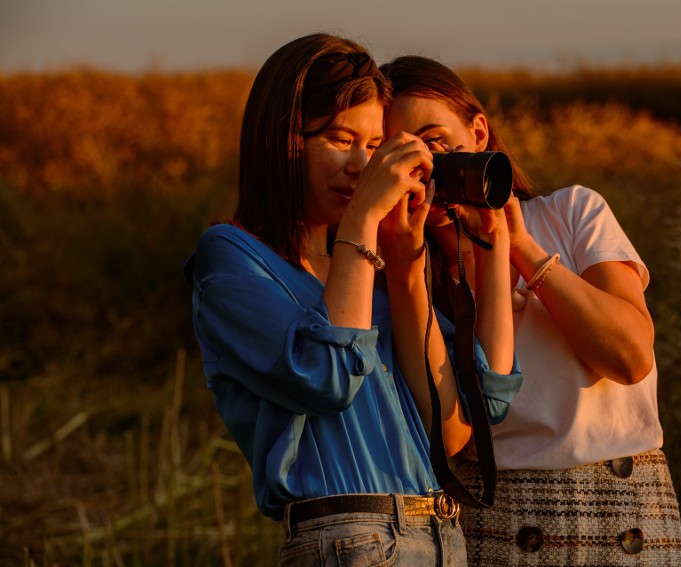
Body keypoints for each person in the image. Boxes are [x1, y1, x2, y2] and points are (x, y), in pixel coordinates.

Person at [183, 35, 521, 566]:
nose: (360, 166)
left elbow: (476, 410)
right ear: (281, 140)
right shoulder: (230, 256)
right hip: (348, 538)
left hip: (439, 534)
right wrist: (364, 219)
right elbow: (327, 375)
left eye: (374, 147)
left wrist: (486, 247)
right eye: (341, 140)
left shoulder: (376, 274)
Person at [381, 55, 681, 566]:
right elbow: (451, 431)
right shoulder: (403, 269)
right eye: (403, 153)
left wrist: (520, 247)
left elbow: (632, 357)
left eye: (437, 143)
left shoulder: (571, 212)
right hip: (496, 519)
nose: (429, 167)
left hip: (629, 508)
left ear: (478, 132)